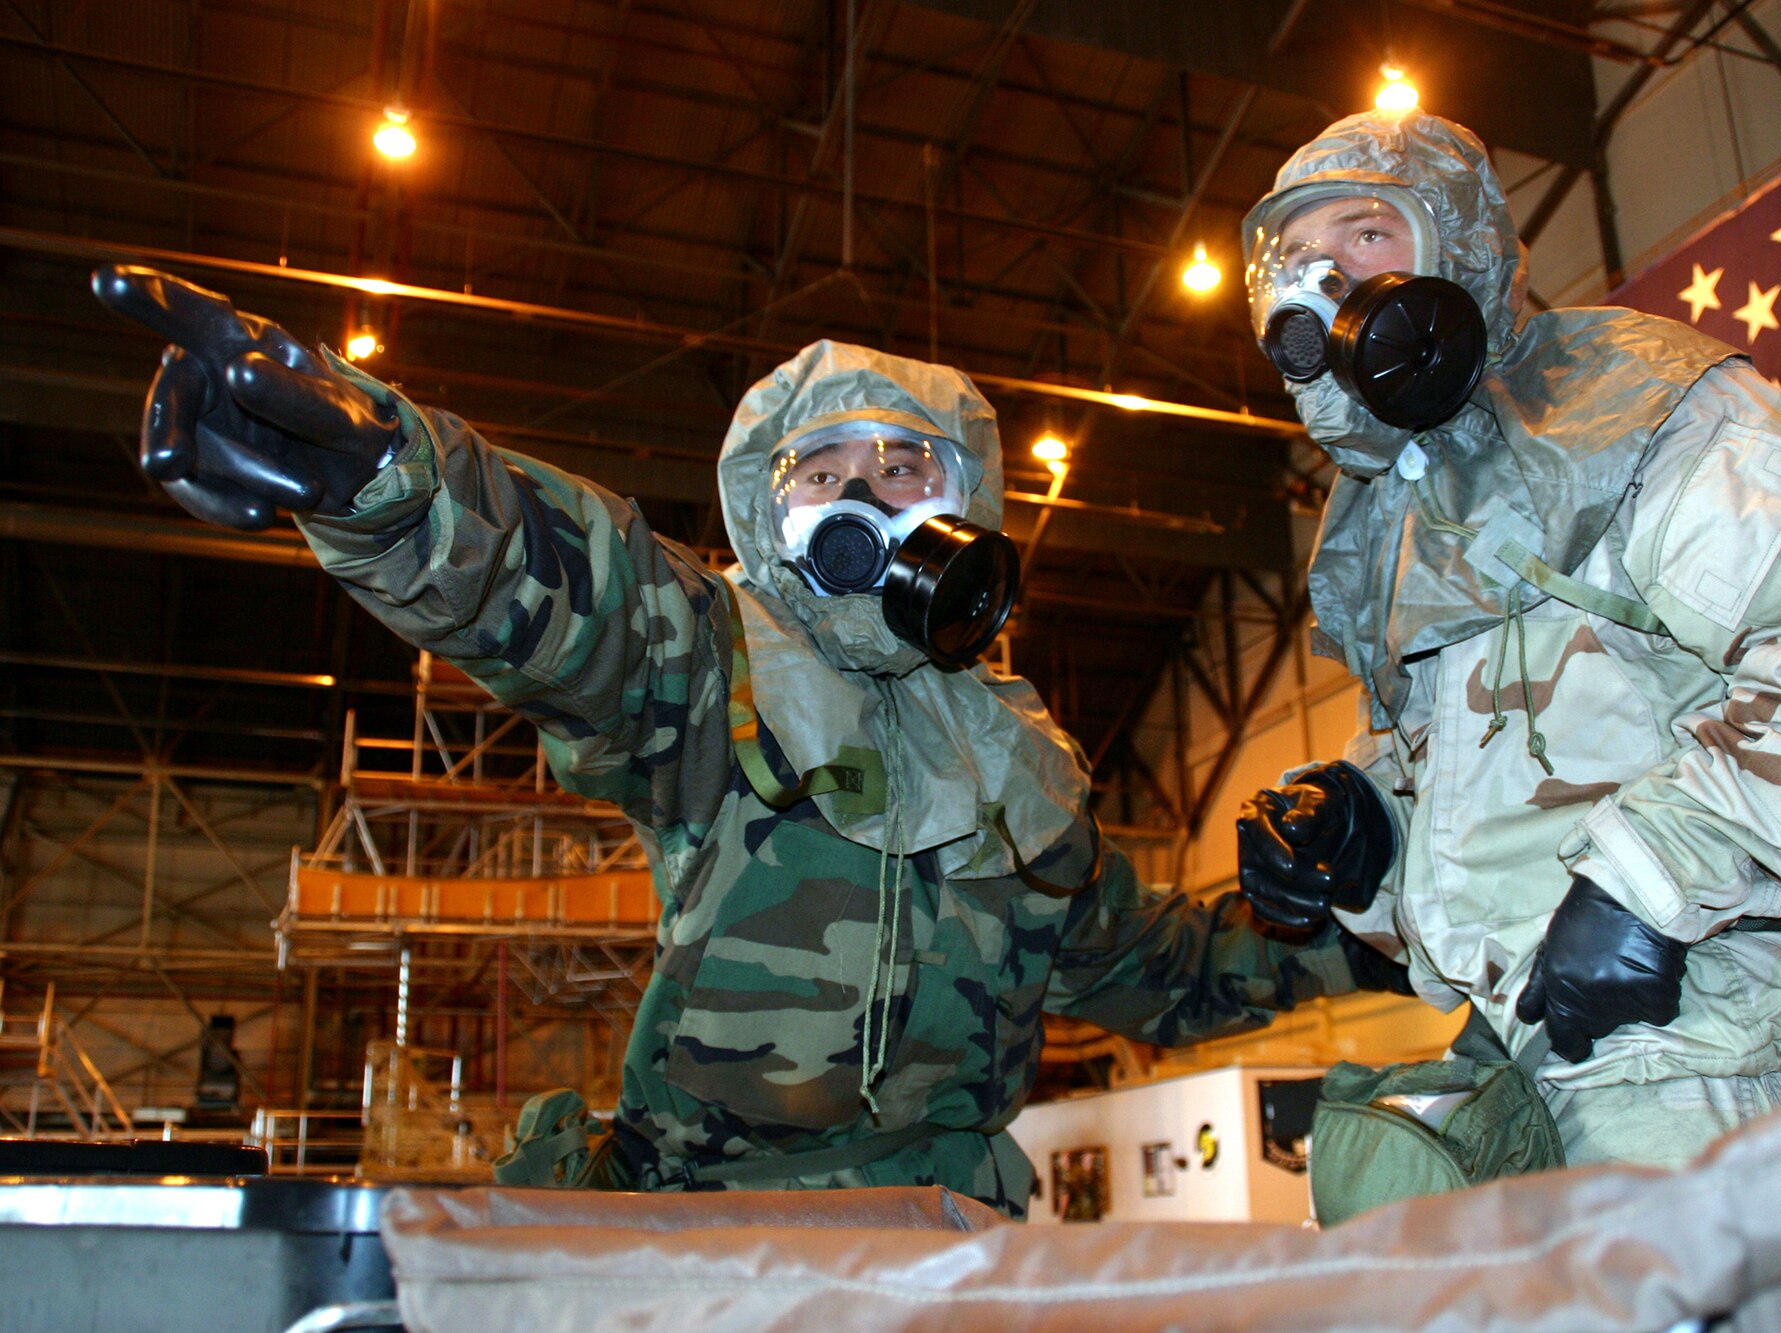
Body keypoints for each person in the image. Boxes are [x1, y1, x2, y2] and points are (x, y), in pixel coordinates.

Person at [92, 265, 1400, 1217]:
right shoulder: (714, 664)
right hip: (690, 1233)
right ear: (767, 513)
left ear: (969, 503)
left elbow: (1149, 971)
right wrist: (383, 479)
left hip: (940, 1242)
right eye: (821, 473)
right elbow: (575, 596)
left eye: (905, 468)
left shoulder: (1021, 762)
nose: (863, 500)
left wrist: (1370, 918)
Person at [1229, 110, 1781, 1320]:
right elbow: (1481, 783)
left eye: (1369, 236)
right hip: (1532, 1060)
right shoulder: (1390, 517)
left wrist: (1648, 878)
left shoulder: (1629, 406)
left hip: (1709, 1062)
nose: (1337, 291)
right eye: (1300, 268)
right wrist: (1358, 838)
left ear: (1460, 247)